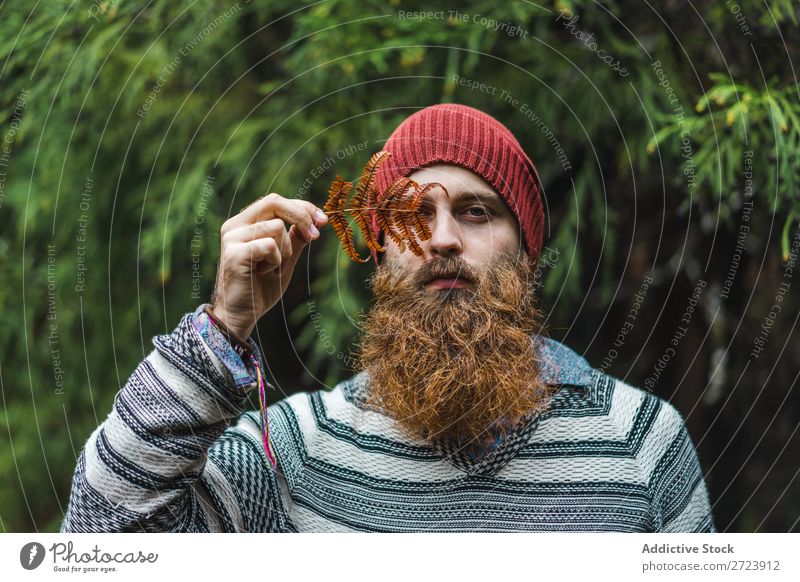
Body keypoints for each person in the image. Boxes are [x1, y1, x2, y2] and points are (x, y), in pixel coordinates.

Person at [60, 103, 715, 532]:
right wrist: (224, 326)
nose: (442, 239)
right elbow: (97, 534)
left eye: (477, 211)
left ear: (528, 255)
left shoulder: (644, 445)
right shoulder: (293, 456)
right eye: (412, 215)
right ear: (379, 258)